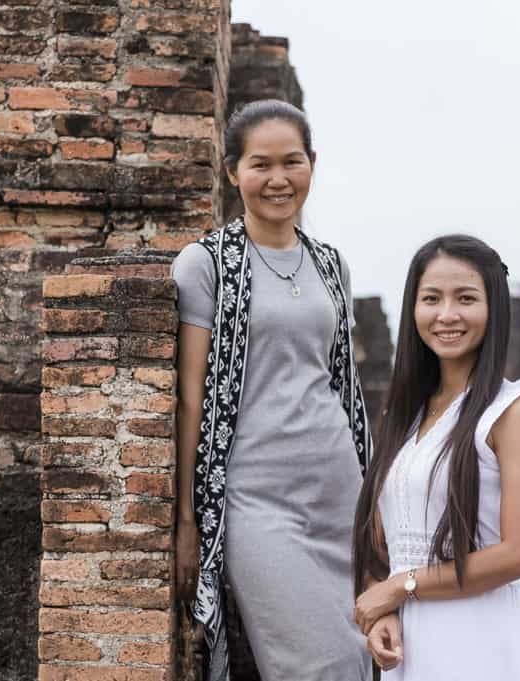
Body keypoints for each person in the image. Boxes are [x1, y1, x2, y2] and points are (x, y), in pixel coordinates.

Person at [172, 99, 372, 681]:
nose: (278, 179)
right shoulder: (206, 264)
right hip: (254, 497)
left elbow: (343, 384)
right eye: (261, 164)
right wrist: (187, 520)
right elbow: (191, 400)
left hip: (338, 487)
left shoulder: (331, 265)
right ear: (232, 171)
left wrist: (374, 495)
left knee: (362, 651)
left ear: (313, 164)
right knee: (313, 662)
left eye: (293, 162)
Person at [351, 235, 520, 680]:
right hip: (410, 642)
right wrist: (383, 606)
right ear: (413, 309)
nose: (447, 315)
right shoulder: (406, 411)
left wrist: (401, 588)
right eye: (431, 299)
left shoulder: (512, 411)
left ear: (493, 308)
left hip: (480, 635)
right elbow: (388, 534)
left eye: (465, 298)